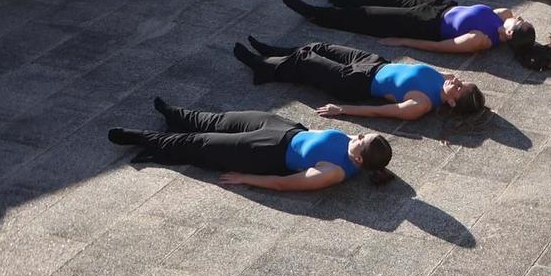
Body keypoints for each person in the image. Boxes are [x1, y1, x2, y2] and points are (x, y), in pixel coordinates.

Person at [281, 0, 551, 69]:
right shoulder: (505, 17)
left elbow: (443, 47)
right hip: (440, 5)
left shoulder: (480, 41)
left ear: (508, 37)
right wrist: (508, 18)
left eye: (514, 24)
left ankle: (315, 14)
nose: (514, 17)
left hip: (426, 24)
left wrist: (404, 42)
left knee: (368, 18)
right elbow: (503, 12)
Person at [108, 98, 393, 191]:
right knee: (224, 120)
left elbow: (287, 184)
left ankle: (139, 138)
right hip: (284, 129)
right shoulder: (361, 154)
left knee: (201, 143)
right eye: (361, 135)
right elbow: (320, 136)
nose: (355, 136)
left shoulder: (335, 172)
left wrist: (247, 178)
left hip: (266, 152)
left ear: (358, 161)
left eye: (359, 141)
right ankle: (176, 115)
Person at [231, 39, 486, 122]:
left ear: (452, 102)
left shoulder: (421, 104)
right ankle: (274, 53)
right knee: (319, 47)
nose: (459, 81)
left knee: (307, 61)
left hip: (354, 82)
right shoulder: (446, 80)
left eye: (460, 88)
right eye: (463, 82)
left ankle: (263, 69)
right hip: (374, 62)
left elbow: (380, 111)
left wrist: (342, 109)